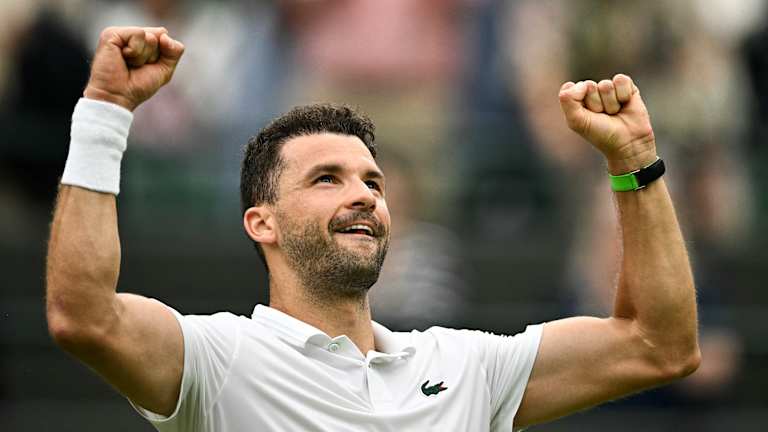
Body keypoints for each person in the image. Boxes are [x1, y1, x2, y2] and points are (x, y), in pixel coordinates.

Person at [46, 27, 700, 431]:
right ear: (261, 222)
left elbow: (658, 345)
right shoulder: (218, 360)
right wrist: (104, 114)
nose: (363, 195)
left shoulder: (466, 366)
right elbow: (84, 315)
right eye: (326, 178)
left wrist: (634, 160)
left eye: (373, 182)